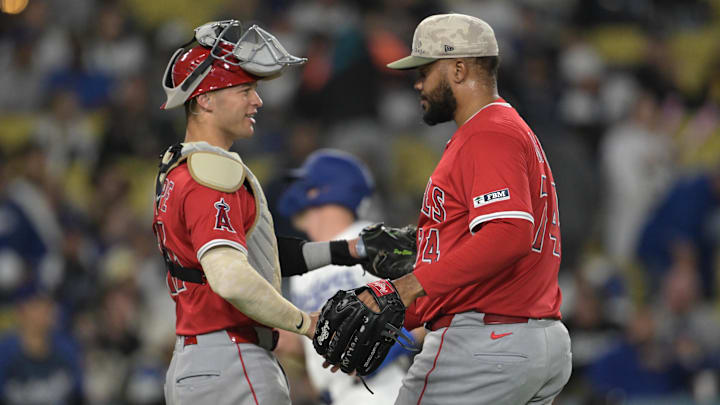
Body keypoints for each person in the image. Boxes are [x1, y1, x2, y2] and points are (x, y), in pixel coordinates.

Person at [351, 13, 572, 404]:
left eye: (424, 70)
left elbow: (508, 234)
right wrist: (395, 315)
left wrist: (406, 286)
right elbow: (475, 257)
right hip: (523, 337)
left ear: (458, 68)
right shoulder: (502, 130)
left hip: (486, 342)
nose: (417, 83)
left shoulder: (488, 132)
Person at [153, 20, 365, 405]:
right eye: (245, 89)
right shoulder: (212, 175)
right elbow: (231, 279)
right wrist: (307, 324)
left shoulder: (181, 167)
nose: (258, 101)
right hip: (233, 360)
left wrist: (347, 250)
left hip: (198, 362)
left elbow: (256, 258)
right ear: (205, 98)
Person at [277, 149, 416, 404]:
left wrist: (385, 354)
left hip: (383, 390)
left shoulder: (370, 241)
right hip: (337, 396)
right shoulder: (303, 269)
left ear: (323, 190)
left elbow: (426, 307)